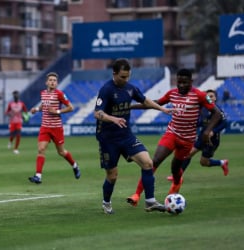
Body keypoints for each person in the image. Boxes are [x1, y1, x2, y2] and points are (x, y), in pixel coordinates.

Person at [127, 69, 223, 207]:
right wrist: (130, 107)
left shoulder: (200, 95)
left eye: (185, 82)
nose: (181, 85)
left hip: (187, 140)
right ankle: (136, 195)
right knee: (155, 161)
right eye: (179, 82)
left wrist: (208, 131)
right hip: (172, 134)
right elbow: (155, 103)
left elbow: (217, 113)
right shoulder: (172, 93)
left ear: (191, 82)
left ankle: (177, 182)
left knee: (175, 168)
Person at [94, 58, 172, 214]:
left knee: (148, 163)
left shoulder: (130, 88)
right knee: (112, 175)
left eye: (128, 76)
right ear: (114, 73)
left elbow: (145, 100)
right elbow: (97, 113)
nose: (126, 80)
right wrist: (113, 119)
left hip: (126, 135)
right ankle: (106, 202)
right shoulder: (106, 90)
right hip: (108, 139)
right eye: (123, 77)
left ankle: (150, 201)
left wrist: (162, 109)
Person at [28, 72, 80, 184]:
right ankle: (38, 176)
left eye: (54, 80)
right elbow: (44, 105)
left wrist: (57, 111)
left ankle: (74, 165)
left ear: (57, 83)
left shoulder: (59, 94)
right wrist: (36, 109)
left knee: (61, 152)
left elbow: (71, 107)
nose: (52, 82)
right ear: (46, 82)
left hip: (56, 128)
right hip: (45, 127)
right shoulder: (43, 93)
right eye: (50, 80)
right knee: (41, 149)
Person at [166, 89, 229, 181]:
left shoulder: (218, 110)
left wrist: (213, 131)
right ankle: (178, 176)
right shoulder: (202, 109)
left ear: (215, 98)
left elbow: (225, 123)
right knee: (188, 154)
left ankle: (222, 163)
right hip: (201, 137)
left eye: (211, 96)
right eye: (208, 96)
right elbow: (200, 122)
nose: (209, 98)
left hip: (212, 140)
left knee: (203, 162)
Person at [5, 90, 28, 154]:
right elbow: (6, 112)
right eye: (15, 95)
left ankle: (15, 149)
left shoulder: (22, 104)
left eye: (17, 95)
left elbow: (26, 112)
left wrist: (24, 117)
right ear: (13, 96)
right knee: (12, 135)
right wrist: (9, 114)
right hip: (12, 122)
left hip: (19, 122)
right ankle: (10, 141)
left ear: (18, 96)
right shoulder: (10, 104)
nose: (16, 96)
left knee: (18, 135)